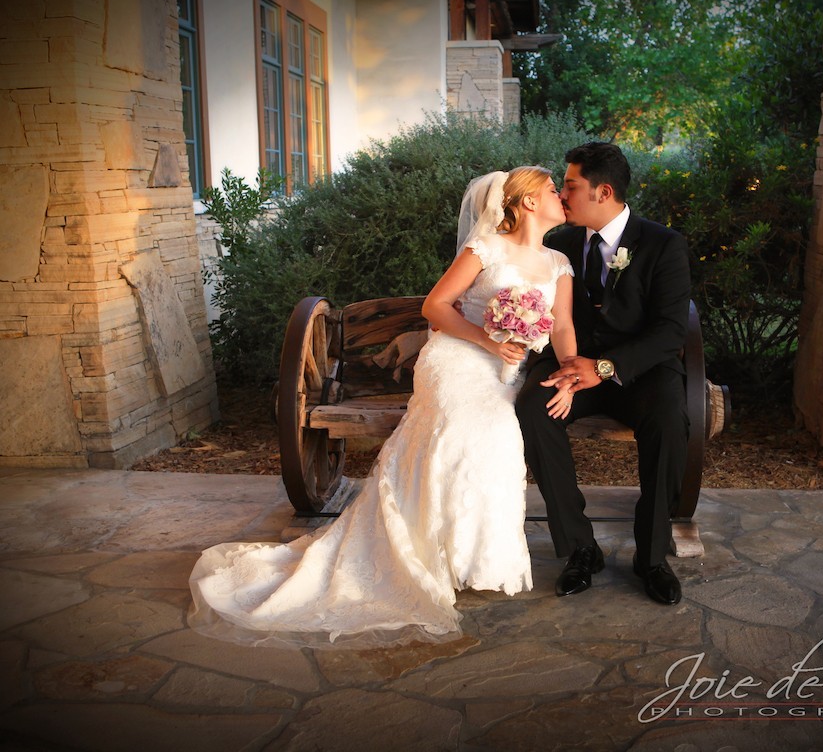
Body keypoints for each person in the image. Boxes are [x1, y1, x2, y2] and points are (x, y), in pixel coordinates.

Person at [189, 167, 576, 647]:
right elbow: (435, 308)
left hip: (504, 371)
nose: (561, 196)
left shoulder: (559, 262)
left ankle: (476, 559)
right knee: (470, 429)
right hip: (457, 360)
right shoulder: (485, 249)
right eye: (552, 190)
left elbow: (561, 329)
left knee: (499, 436)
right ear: (527, 202)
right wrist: (487, 340)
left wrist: (572, 375)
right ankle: (428, 553)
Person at [515, 142, 691, 606]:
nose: (563, 194)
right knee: (534, 406)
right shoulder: (561, 244)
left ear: (603, 191)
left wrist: (607, 367)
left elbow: (671, 331)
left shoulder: (663, 244)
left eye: (570, 186)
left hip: (642, 374)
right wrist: (569, 369)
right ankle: (580, 548)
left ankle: (651, 557)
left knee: (671, 420)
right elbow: (555, 318)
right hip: (573, 365)